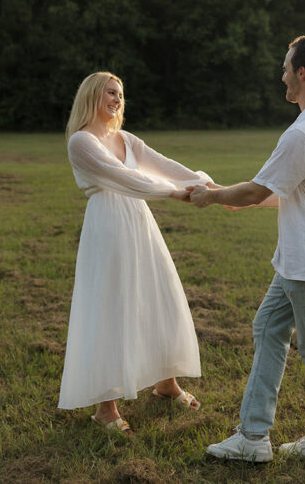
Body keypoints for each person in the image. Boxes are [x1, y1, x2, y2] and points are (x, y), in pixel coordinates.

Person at [189, 35, 305, 463]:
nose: (282, 75)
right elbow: (291, 190)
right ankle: (253, 437)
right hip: (303, 258)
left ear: (301, 73)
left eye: (286, 68)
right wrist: (233, 196)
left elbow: (261, 188)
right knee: (268, 327)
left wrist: (212, 195)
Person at [59, 71, 212, 435]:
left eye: (121, 94)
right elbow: (127, 179)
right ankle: (106, 408)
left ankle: (165, 383)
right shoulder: (81, 141)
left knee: (158, 298)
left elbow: (162, 165)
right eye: (110, 93)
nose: (117, 99)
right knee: (112, 306)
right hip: (109, 227)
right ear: (93, 96)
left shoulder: (125, 138)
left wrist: (203, 183)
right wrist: (174, 192)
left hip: (140, 224)